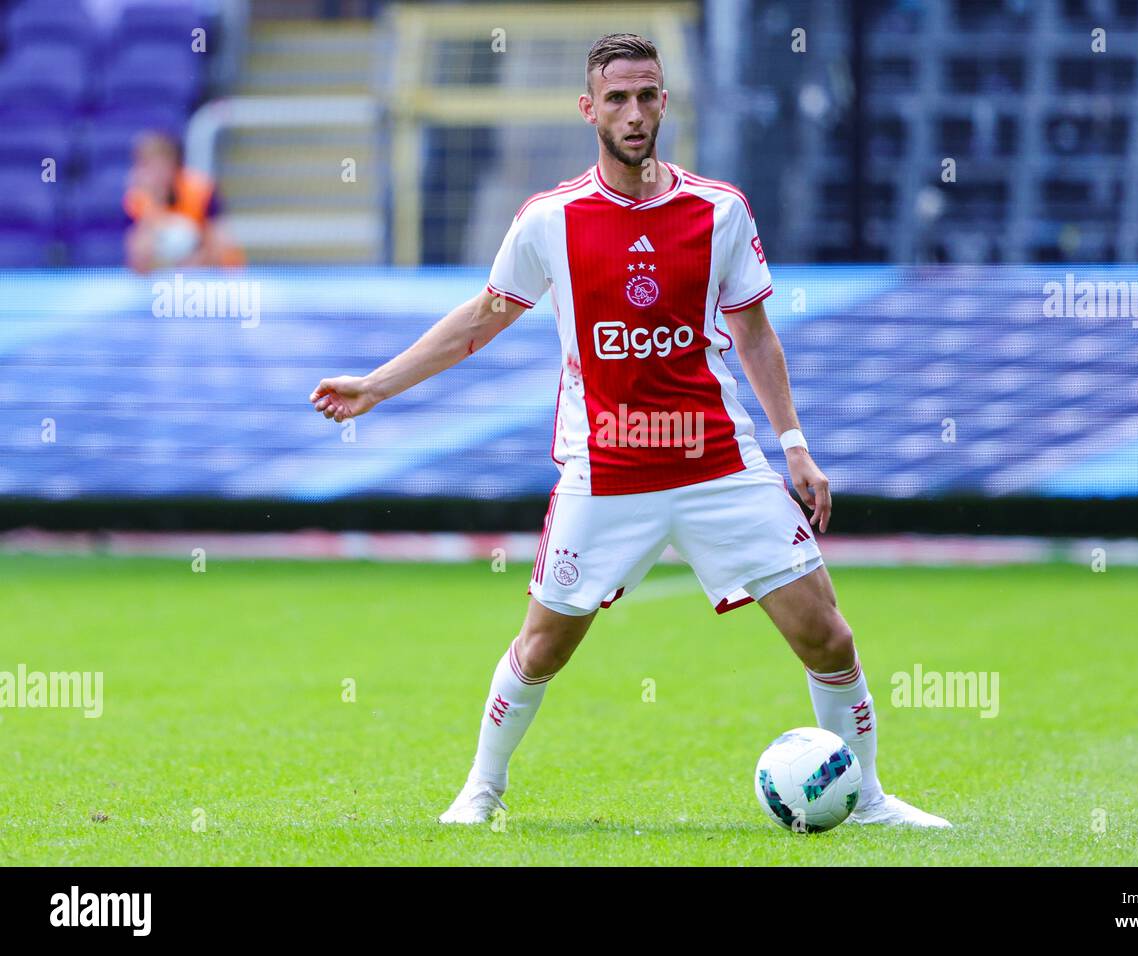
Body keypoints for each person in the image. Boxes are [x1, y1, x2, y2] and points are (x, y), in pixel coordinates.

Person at [310, 33, 951, 829]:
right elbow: (482, 320)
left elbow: (753, 334)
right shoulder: (552, 221)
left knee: (827, 634)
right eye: (617, 98)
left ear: (665, 102)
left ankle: (871, 801)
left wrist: (794, 445)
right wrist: (375, 385)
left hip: (718, 461)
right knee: (543, 646)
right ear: (590, 110)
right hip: (606, 470)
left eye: (647, 95)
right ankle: (481, 790)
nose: (634, 111)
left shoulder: (718, 210)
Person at [123, 132, 243, 273]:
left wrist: (195, 263)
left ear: (173, 164)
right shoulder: (137, 199)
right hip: (166, 284)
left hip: (211, 278)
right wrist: (152, 208)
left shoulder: (200, 190)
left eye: (158, 165)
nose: (153, 174)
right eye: (145, 166)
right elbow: (137, 261)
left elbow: (223, 247)